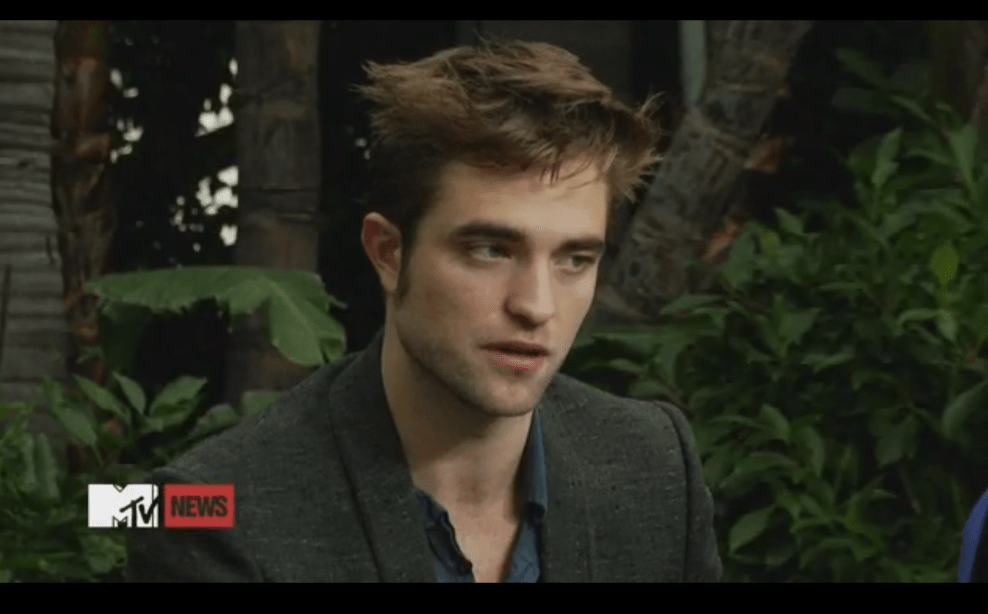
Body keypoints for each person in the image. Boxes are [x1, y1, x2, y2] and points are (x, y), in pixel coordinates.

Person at [125, 38, 723, 583]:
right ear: (388, 253)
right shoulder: (202, 511)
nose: (536, 306)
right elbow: (126, 510)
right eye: (490, 250)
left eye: (574, 259)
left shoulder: (656, 462)